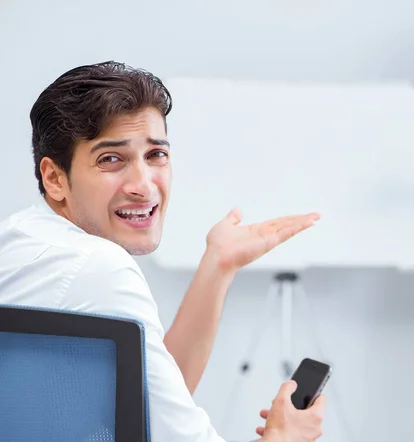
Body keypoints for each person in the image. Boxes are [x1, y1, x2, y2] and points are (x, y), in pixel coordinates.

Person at [0, 61, 325, 442]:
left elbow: (143, 409)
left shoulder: (21, 236)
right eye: (111, 159)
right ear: (55, 178)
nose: (144, 185)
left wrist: (219, 265)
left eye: (156, 155)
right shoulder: (97, 268)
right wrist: (287, 436)